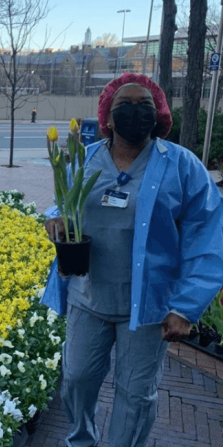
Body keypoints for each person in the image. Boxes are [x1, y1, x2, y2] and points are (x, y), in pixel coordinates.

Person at [41, 73, 223, 447]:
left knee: (135, 394)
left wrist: (185, 307)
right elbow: (64, 200)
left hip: (149, 307)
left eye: (145, 105)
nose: (135, 112)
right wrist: (55, 218)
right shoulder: (84, 158)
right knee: (76, 378)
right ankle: (80, 440)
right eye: (125, 105)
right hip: (88, 295)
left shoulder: (182, 166)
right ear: (106, 117)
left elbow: (206, 237)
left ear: (159, 115)